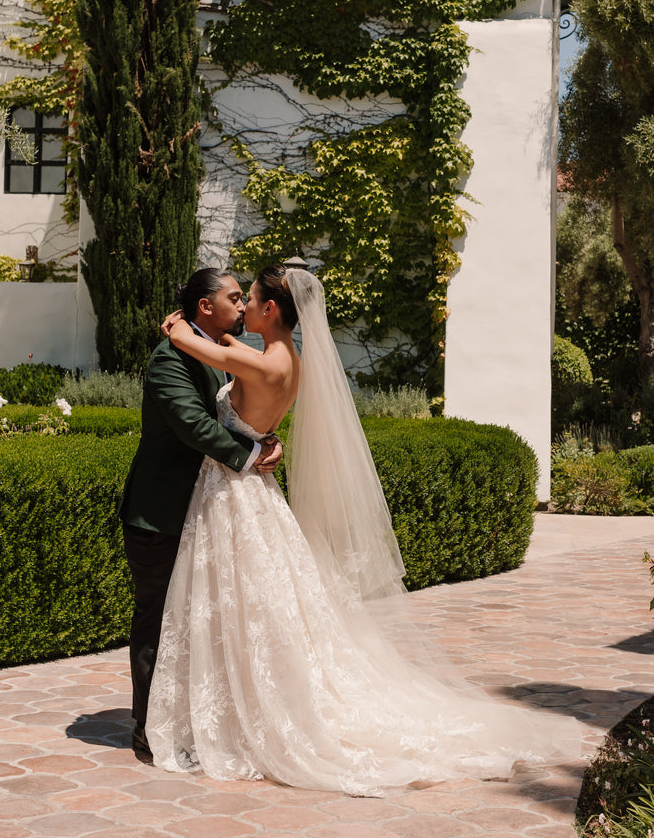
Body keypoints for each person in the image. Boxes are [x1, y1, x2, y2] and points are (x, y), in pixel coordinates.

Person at [145, 264, 581, 794]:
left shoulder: (243, 358)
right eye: (235, 300)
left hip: (233, 495)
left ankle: (249, 711)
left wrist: (177, 331)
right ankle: (240, 705)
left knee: (244, 607)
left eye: (250, 300)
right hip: (251, 495)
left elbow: (209, 369)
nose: (242, 309)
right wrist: (263, 442)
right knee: (257, 609)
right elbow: (229, 374)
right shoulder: (288, 361)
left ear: (271, 310)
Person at [119, 268, 282, 755]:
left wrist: (264, 440)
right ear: (205, 306)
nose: (242, 305)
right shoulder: (170, 358)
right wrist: (251, 457)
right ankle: (149, 729)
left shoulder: (217, 352)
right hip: (161, 513)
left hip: (207, 512)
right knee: (157, 620)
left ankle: (195, 722)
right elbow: (193, 424)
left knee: (201, 620)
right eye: (234, 297)